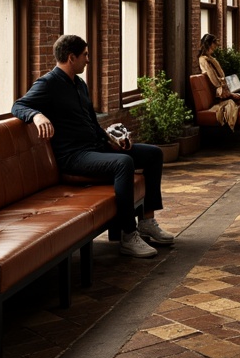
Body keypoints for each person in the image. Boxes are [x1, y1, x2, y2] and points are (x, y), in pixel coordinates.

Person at [11, 34, 174, 259]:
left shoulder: (79, 84)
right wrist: (37, 115)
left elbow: (91, 121)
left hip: (96, 147)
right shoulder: (47, 84)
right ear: (71, 57)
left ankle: (147, 221)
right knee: (124, 163)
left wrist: (111, 141)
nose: (88, 60)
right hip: (74, 157)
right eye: (85, 55)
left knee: (153, 154)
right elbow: (18, 105)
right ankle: (128, 235)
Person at [198, 33, 240, 129]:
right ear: (209, 44)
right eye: (214, 43)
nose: (216, 46)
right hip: (218, 92)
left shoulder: (210, 59)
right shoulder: (204, 60)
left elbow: (219, 76)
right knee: (237, 99)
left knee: (239, 97)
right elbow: (213, 79)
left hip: (222, 88)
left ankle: (230, 96)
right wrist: (226, 90)